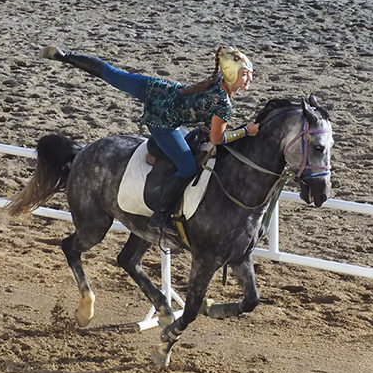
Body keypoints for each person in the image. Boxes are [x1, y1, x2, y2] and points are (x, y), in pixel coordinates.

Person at [40, 44, 260, 236]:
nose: (248, 78)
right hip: (162, 121)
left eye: (248, 72)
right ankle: (160, 216)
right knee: (187, 166)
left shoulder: (218, 79)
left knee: (112, 74)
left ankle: (64, 55)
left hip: (158, 89)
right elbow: (218, 138)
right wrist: (245, 130)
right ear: (231, 75)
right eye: (244, 74)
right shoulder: (223, 103)